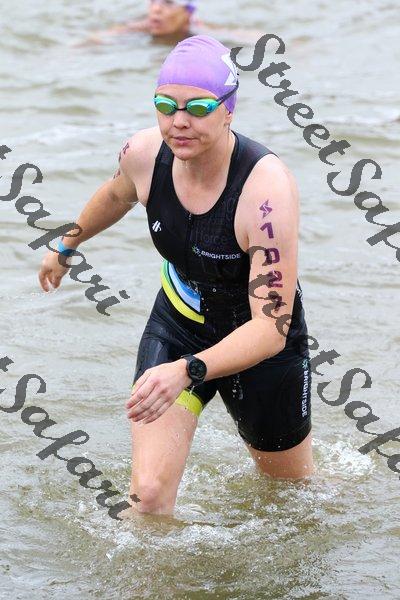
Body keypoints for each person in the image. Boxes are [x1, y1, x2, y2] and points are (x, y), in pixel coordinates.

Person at [38, 35, 314, 517]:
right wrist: (67, 244)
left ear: (229, 110)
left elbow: (271, 328)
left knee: (291, 499)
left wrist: (188, 370)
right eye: (166, 105)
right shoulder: (144, 153)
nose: (178, 121)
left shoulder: (265, 192)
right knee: (146, 499)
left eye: (198, 107)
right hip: (178, 326)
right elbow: (117, 194)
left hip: (258, 348)